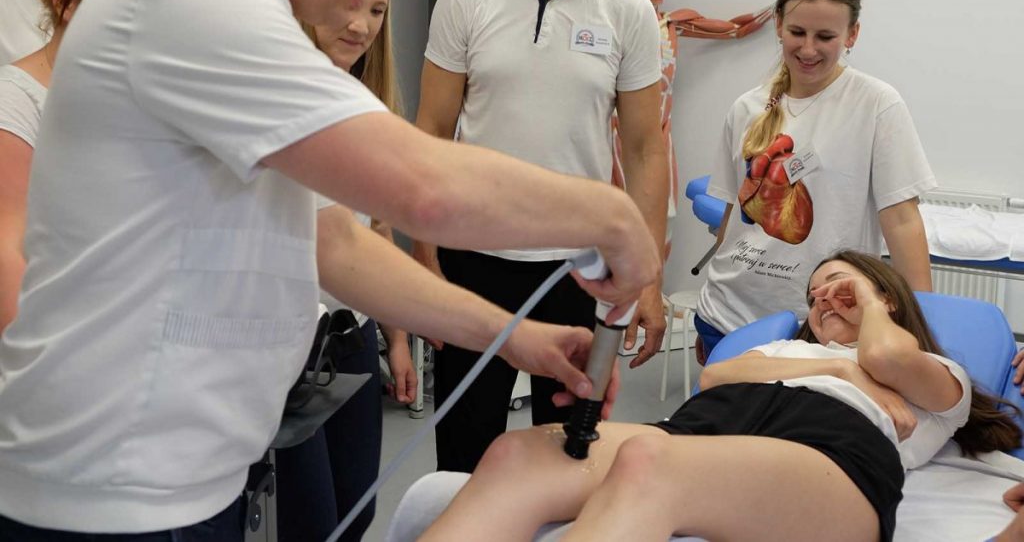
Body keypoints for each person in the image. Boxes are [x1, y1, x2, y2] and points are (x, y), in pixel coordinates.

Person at [0, 0, 661, 539]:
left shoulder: (243, 14)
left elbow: (336, 242)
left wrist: (517, 339)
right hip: (111, 489)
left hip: (182, 478)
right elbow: (422, 187)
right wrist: (613, 216)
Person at [419, 250, 1022, 542]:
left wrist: (867, 309)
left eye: (840, 286)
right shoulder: (790, 350)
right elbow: (714, 379)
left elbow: (886, 357)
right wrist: (840, 371)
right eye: (814, 296)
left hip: (831, 455)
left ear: (885, 297)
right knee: (516, 453)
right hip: (703, 428)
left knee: (649, 465)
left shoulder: (938, 375)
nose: (822, 299)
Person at [414, 0, 668, 474]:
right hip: (474, 258)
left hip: (579, 270)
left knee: (564, 453)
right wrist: (424, 258)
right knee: (465, 455)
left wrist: (649, 279)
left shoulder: (629, 10)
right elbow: (432, 132)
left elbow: (644, 150)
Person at [693, 0, 935, 363]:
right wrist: (711, 310)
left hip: (822, 324)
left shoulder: (876, 105)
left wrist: (921, 329)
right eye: (797, 32)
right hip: (727, 314)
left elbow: (902, 221)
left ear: (852, 34)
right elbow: (732, 216)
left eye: (825, 36)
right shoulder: (746, 107)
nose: (808, 49)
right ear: (778, 24)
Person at [274, 0, 416, 542]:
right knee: (311, 521)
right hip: (290, 348)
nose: (361, 25)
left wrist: (396, 339)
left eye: (377, 11)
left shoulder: (367, 106)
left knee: (358, 510)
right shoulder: (278, 102)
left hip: (352, 334)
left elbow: (377, 230)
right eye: (349, 5)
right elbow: (337, 246)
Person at [0, 0, 150, 332]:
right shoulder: (14, 100)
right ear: (65, 1)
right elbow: (7, 253)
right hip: (51, 341)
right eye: (119, 8)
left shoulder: (136, 101)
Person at [613, 0, 772, 256]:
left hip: (659, 130)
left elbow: (733, 28)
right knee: (621, 211)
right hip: (620, 130)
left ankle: (654, 281)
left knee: (665, 212)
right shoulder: (618, 21)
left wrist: (777, 10)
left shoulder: (671, 24)